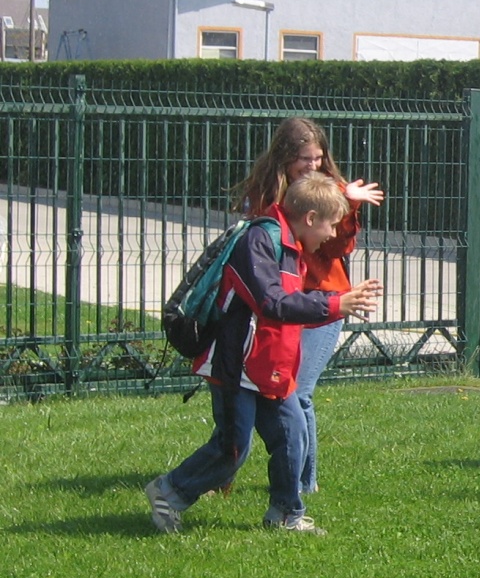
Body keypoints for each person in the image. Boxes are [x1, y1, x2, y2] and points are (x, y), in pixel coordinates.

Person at [145, 173, 383, 535]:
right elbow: (272, 302)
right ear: (310, 219)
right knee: (233, 448)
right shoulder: (260, 239)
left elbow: (288, 303)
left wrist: (337, 299)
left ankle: (287, 514)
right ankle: (169, 492)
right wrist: (336, 303)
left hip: (272, 362)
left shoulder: (294, 244)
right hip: (236, 362)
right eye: (330, 226)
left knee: (292, 436)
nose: (332, 235)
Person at [235, 117, 385, 494]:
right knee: (268, 391)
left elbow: (338, 246)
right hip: (282, 305)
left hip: (323, 303)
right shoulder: (266, 195)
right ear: (285, 157)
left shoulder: (329, 191)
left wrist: (347, 206)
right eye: (305, 158)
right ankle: (234, 468)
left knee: (298, 393)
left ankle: (304, 482)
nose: (313, 165)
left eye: (318, 157)